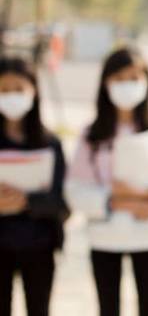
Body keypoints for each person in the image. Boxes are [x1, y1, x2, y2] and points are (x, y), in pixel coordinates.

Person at [65, 47, 148, 316]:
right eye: (119, 79)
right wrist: (113, 200)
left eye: (134, 78)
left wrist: (145, 196)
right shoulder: (92, 134)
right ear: (106, 83)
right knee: (108, 307)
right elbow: (75, 189)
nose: (127, 86)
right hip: (105, 236)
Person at [0, 56, 68, 316]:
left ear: (34, 91)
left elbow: (63, 200)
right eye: (4, 90)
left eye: (18, 89)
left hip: (39, 243)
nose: (11, 96)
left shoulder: (50, 143)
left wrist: (26, 200)